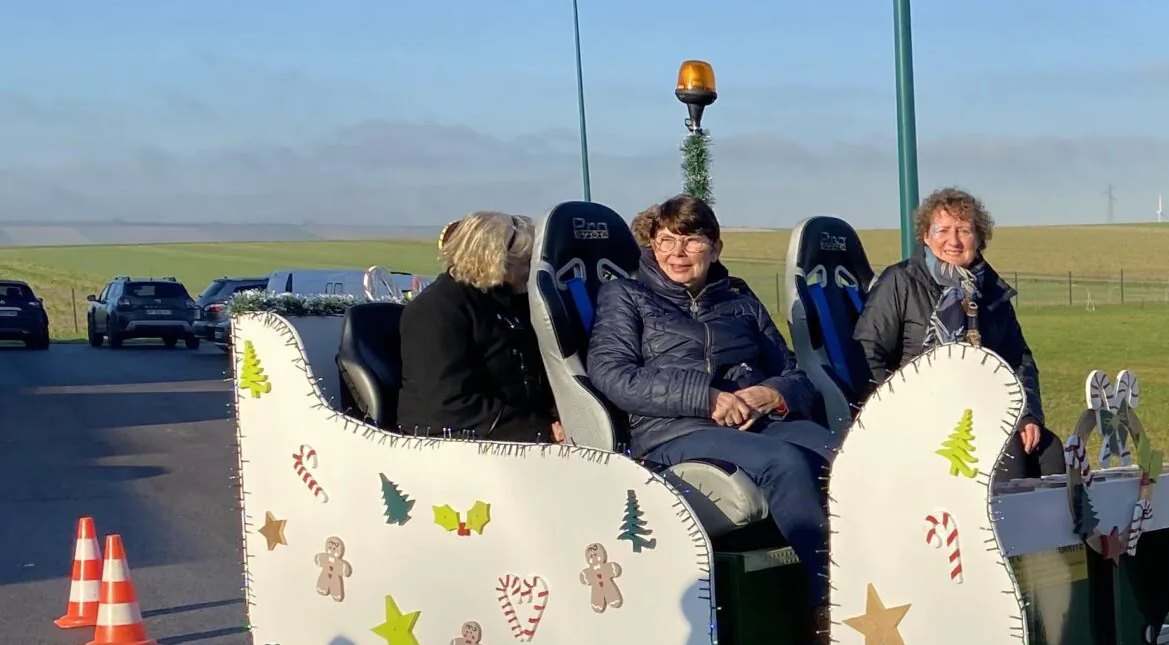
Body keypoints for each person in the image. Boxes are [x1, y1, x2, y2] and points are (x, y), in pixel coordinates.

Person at [585, 195, 832, 585]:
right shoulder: (627, 297)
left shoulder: (739, 300)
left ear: (715, 248)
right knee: (783, 462)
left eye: (692, 241)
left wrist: (770, 394)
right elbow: (613, 374)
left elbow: (793, 374)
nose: (678, 253)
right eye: (666, 241)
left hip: (755, 420)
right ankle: (833, 596)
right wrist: (707, 397)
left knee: (843, 453)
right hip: (675, 430)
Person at [856, 186, 1065, 481]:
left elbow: (1018, 360)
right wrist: (894, 411)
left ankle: (1049, 527)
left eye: (964, 231)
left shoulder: (990, 290)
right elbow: (866, 353)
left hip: (985, 408)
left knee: (1048, 449)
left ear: (979, 239)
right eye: (942, 230)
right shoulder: (900, 282)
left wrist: (1026, 415)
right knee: (1009, 458)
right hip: (918, 411)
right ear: (926, 237)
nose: (953, 241)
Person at [399, 211, 560, 441]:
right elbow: (446, 406)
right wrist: (541, 430)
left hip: (520, 431)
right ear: (498, 260)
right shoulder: (437, 311)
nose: (529, 271)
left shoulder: (508, 301)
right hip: (461, 445)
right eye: (526, 262)